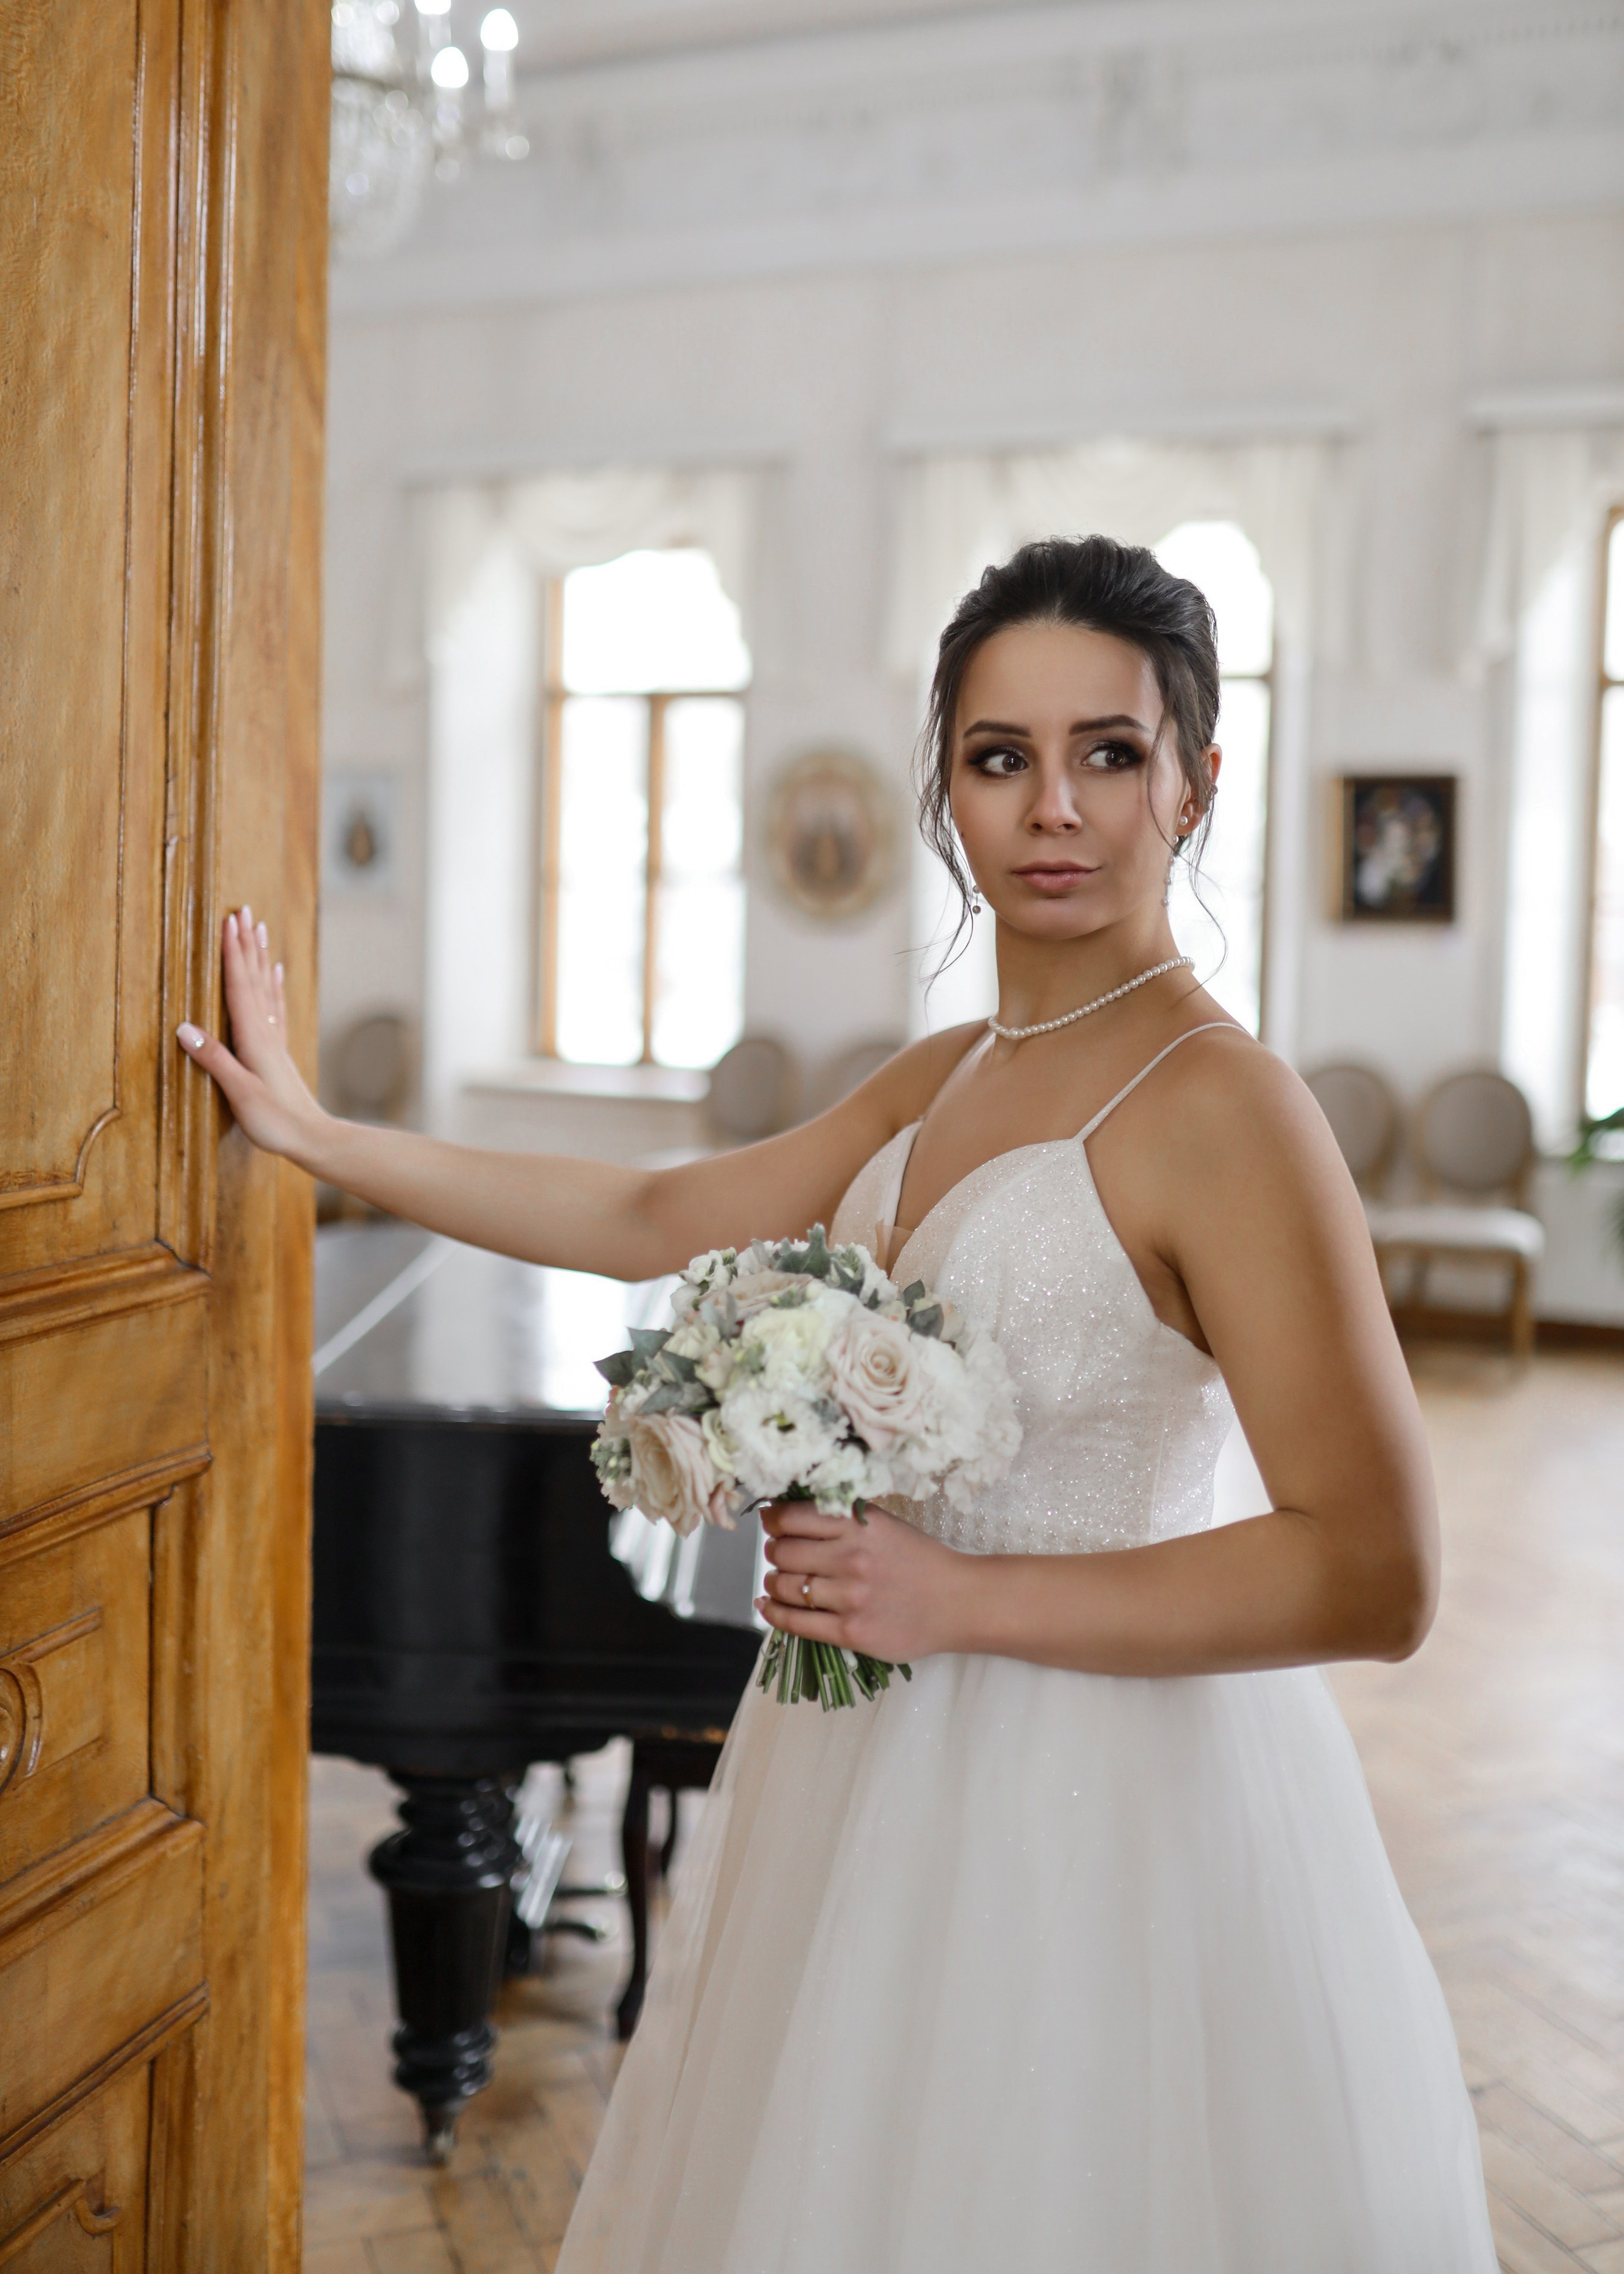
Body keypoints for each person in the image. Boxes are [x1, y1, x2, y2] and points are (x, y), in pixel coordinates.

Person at [181, 535, 1496, 2271]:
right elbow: (654, 1212)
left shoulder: (1231, 1111)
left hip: (1108, 1807)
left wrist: (960, 1598)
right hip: (865, 1770)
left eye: (1110, 752)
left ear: (1196, 782)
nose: (1054, 807)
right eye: (1001, 756)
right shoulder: (948, 1069)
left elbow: (1378, 1576)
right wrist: (316, 1135)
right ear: (945, 788)